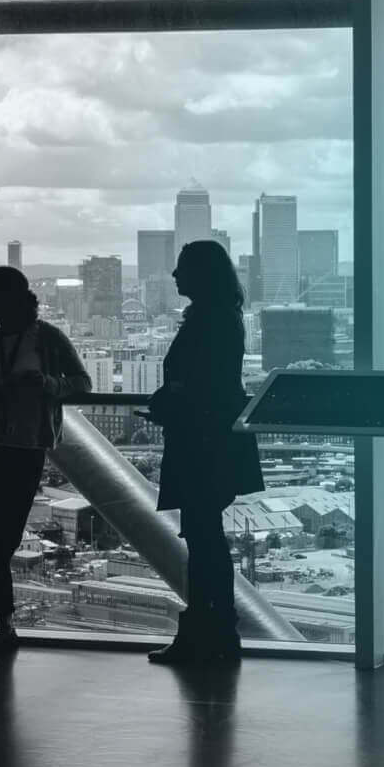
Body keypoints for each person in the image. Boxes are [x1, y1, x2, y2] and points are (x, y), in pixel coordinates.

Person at [0, 266, 90, 651]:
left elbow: (81, 383)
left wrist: (45, 385)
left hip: (21, 448)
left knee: (2, 540)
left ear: (7, 298)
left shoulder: (49, 340)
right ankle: (3, 624)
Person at [145, 240, 264, 665]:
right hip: (214, 442)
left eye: (181, 268)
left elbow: (203, 384)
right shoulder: (223, 318)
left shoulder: (208, 321)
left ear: (200, 275)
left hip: (201, 443)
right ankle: (216, 632)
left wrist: (172, 398)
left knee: (204, 542)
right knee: (206, 540)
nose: (175, 276)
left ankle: (205, 633)